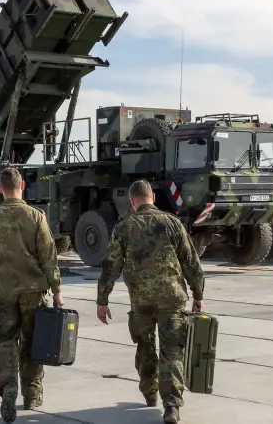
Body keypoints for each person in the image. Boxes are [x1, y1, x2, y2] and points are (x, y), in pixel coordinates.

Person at [0, 167, 64, 423]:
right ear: (22, 186)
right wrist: (57, 291)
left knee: (4, 340)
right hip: (34, 292)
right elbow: (49, 257)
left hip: (4, 292)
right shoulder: (36, 216)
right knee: (33, 343)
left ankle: (8, 386)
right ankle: (32, 394)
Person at [95, 179, 205, 423]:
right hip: (171, 300)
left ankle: (149, 393)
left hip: (141, 301)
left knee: (145, 347)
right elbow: (191, 262)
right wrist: (198, 294)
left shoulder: (124, 227)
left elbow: (110, 266)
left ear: (132, 202)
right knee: (172, 352)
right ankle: (172, 406)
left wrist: (102, 300)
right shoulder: (172, 223)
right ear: (152, 197)